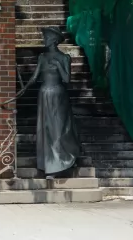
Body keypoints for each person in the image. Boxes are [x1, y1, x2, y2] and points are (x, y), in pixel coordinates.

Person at [13, 26, 81, 179]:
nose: (45, 40)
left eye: (47, 37)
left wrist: (58, 66)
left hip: (58, 94)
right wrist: (23, 89)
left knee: (60, 128)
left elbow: (67, 79)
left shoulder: (64, 58)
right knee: (47, 128)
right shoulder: (42, 57)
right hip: (44, 94)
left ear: (54, 40)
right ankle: (50, 165)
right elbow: (35, 77)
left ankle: (64, 159)